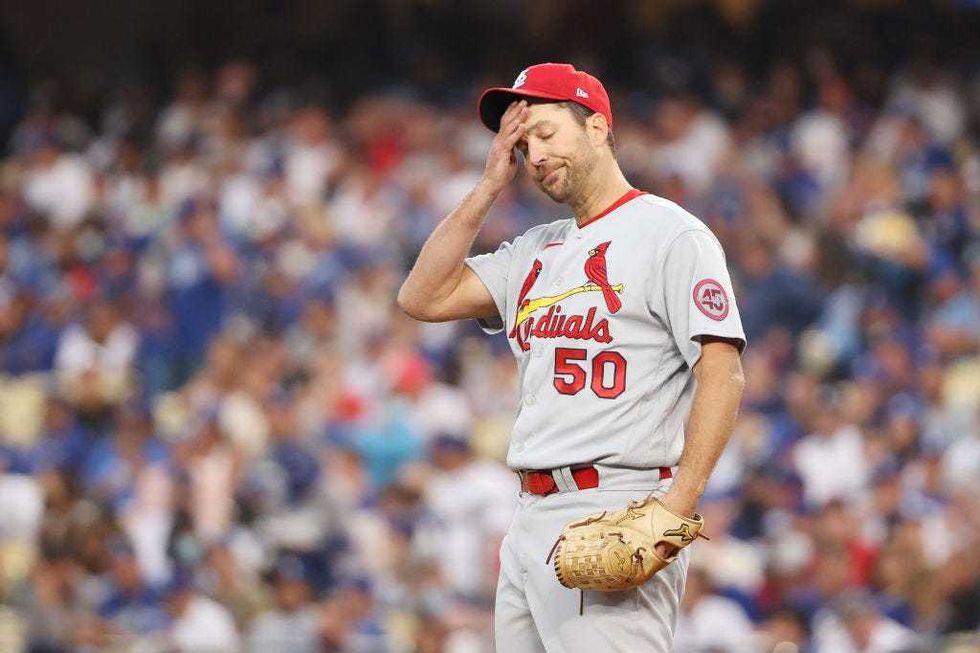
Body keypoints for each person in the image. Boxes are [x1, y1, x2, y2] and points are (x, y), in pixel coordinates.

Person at [398, 62, 746, 652]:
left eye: (548, 132)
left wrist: (676, 507)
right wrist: (486, 187)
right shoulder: (536, 249)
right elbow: (421, 296)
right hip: (529, 514)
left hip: (614, 505)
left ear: (598, 128)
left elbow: (723, 372)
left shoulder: (671, 235)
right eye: (523, 142)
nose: (533, 154)